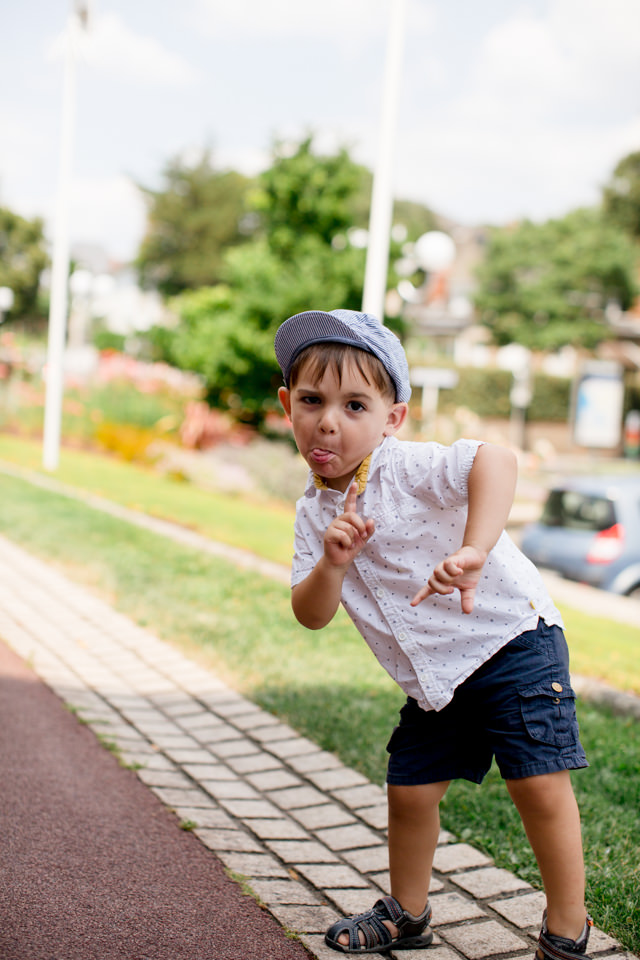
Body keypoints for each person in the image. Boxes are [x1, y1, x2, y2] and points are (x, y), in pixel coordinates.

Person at [274, 308, 593, 958]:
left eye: (355, 404)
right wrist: (334, 565)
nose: (328, 420)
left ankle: (568, 928)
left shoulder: (407, 467)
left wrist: (475, 550)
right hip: (436, 678)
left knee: (538, 780)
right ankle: (409, 915)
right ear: (287, 405)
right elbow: (310, 612)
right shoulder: (314, 514)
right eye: (312, 400)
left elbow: (495, 460)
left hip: (512, 642)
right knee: (410, 790)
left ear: (392, 418)